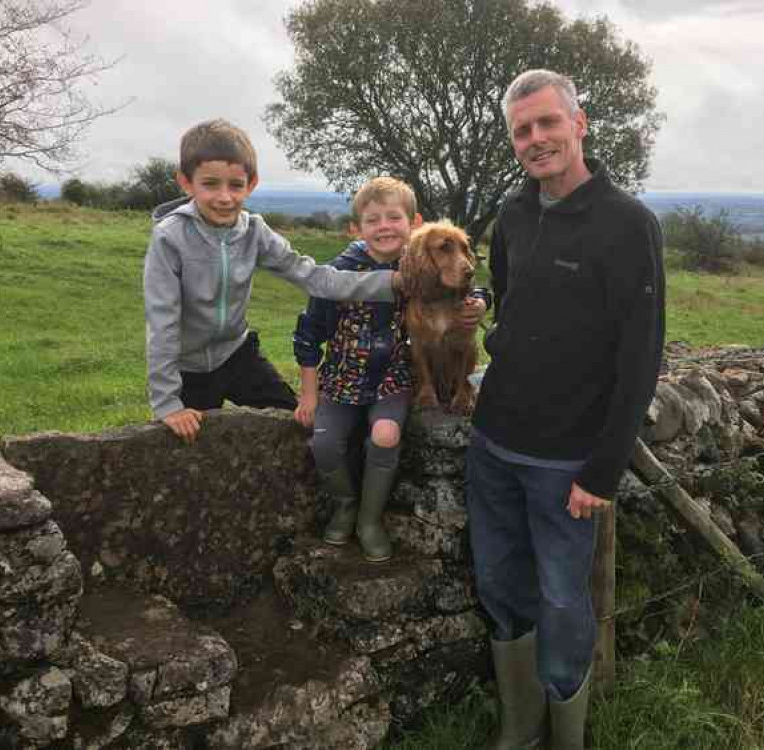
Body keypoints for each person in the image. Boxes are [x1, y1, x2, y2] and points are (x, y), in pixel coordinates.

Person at [467, 70, 665, 749]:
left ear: (580, 123)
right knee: (498, 584)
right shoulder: (512, 214)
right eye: (522, 130)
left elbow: (640, 358)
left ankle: (566, 737)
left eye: (548, 122)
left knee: (560, 601)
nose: (535, 139)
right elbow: (506, 303)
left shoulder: (628, 224)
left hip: (565, 464)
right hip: (491, 443)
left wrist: (602, 471)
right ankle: (517, 730)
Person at [144, 119, 399, 443]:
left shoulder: (254, 231)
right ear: (186, 182)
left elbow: (313, 278)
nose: (224, 197)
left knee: (294, 422)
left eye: (235, 185)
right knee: (182, 447)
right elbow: (162, 321)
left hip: (237, 355)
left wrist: (391, 283)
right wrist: (167, 403)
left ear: (251, 184)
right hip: (187, 367)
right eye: (210, 184)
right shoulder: (169, 238)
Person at [293, 177, 488, 562]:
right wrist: (309, 393)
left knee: (385, 433)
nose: (384, 226)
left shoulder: (420, 265)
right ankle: (346, 506)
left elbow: (465, 289)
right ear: (356, 228)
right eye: (373, 219)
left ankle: (369, 520)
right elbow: (308, 334)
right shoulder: (339, 272)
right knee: (324, 442)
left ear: (412, 222)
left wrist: (481, 300)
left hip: (391, 379)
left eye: (393, 217)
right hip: (342, 378)